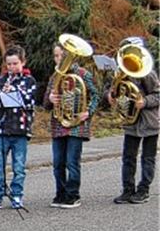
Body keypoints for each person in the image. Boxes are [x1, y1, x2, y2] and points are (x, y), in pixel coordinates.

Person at [42, 43, 99, 208]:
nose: (58, 59)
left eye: (61, 55)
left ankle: (73, 194)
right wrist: (50, 100)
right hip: (58, 124)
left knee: (72, 161)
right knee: (58, 162)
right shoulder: (55, 77)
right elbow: (45, 103)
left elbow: (96, 94)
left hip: (77, 125)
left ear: (70, 56)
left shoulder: (83, 74)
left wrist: (88, 111)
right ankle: (60, 193)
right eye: (56, 56)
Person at [0, 45, 37, 210]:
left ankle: (17, 195)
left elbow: (29, 101)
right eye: (9, 64)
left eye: (15, 64)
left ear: (23, 62)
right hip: (1, 129)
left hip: (20, 129)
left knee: (19, 166)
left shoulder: (29, 81)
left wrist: (13, 91)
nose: (12, 68)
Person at [108, 39, 158, 205]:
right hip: (131, 122)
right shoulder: (121, 74)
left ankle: (143, 190)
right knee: (128, 157)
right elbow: (116, 94)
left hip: (149, 122)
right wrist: (111, 96)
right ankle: (127, 190)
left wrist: (144, 102)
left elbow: (158, 95)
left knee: (147, 158)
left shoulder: (148, 73)